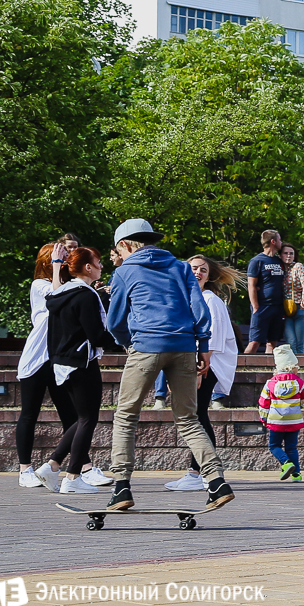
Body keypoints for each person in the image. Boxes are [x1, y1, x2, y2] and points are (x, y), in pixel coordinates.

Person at [105, 219, 233, 511]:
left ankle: (121, 488)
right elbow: (198, 307)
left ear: (125, 245)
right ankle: (216, 482)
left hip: (146, 346)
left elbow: (114, 321)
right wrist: (202, 345)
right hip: (185, 346)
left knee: (126, 416)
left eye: (118, 250)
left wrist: (128, 341)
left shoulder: (125, 271)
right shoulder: (180, 266)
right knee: (188, 419)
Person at [16, 243, 111, 489]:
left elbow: (59, 294)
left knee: (77, 418)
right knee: (80, 418)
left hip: (61, 358)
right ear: (88, 267)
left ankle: (55, 466)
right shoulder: (51, 288)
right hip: (51, 358)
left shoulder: (69, 291)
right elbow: (96, 334)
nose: (102, 266)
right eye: (98, 263)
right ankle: (67, 476)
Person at [165, 256, 245, 491]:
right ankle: (199, 471)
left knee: (197, 415)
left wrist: (199, 369)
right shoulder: (185, 298)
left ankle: (199, 472)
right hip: (191, 363)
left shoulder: (211, 301)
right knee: (195, 415)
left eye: (203, 270)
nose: (198, 272)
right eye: (193, 268)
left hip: (206, 364)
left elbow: (213, 339)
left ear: (209, 276)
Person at [259, 345, 304, 482]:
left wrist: (264, 419)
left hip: (276, 422)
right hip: (294, 421)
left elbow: (263, 403)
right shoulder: (299, 383)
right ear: (292, 367)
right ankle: (296, 475)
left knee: (274, 446)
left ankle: (286, 463)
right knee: (291, 447)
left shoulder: (270, 383)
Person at [245, 229, 285, 354]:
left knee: (272, 342)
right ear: (273, 241)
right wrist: (255, 307)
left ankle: (268, 370)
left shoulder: (279, 260)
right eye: (279, 239)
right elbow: (251, 285)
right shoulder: (257, 261)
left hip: (278, 307)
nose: (281, 242)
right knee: (255, 342)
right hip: (262, 306)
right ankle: (241, 368)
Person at [280, 243, 304, 357]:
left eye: (291, 253)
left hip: (299, 307)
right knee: (290, 341)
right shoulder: (280, 269)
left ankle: (300, 370)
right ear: (280, 255)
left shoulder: (298, 266)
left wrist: (303, 303)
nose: (288, 256)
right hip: (286, 309)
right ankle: (292, 368)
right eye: (285, 253)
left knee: (299, 343)